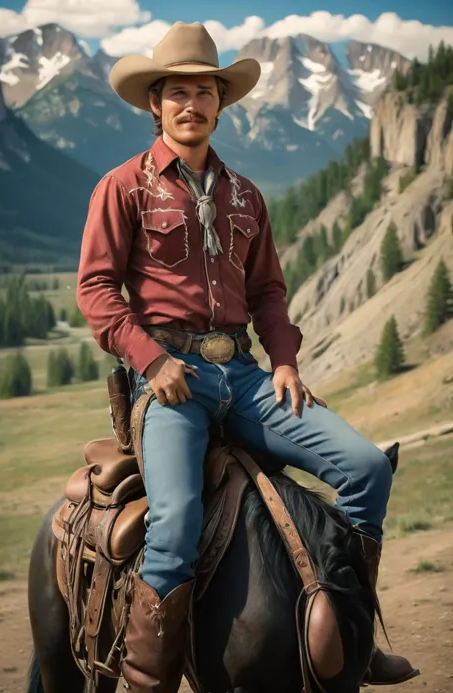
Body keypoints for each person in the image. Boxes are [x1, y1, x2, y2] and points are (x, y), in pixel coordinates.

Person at [76, 21, 418, 693]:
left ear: (219, 102)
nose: (191, 104)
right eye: (178, 92)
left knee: (367, 467)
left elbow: (266, 292)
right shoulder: (124, 188)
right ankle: (148, 681)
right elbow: (95, 289)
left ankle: (352, 635)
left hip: (247, 377)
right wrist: (150, 360)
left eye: (204, 92)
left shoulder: (245, 196)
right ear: (156, 102)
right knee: (174, 526)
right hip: (170, 384)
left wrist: (285, 361)